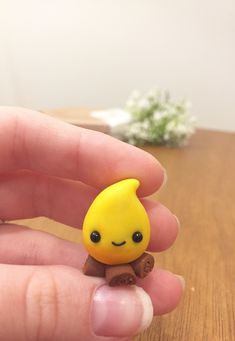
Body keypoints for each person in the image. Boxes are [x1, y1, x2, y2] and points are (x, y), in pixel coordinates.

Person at [0, 107, 184, 340]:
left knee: (130, 264)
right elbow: (90, 267)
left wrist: (141, 261)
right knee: (97, 268)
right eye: (96, 236)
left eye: (137, 236)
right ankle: (118, 273)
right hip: (101, 261)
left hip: (129, 259)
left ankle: (129, 267)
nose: (118, 241)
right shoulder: (96, 259)